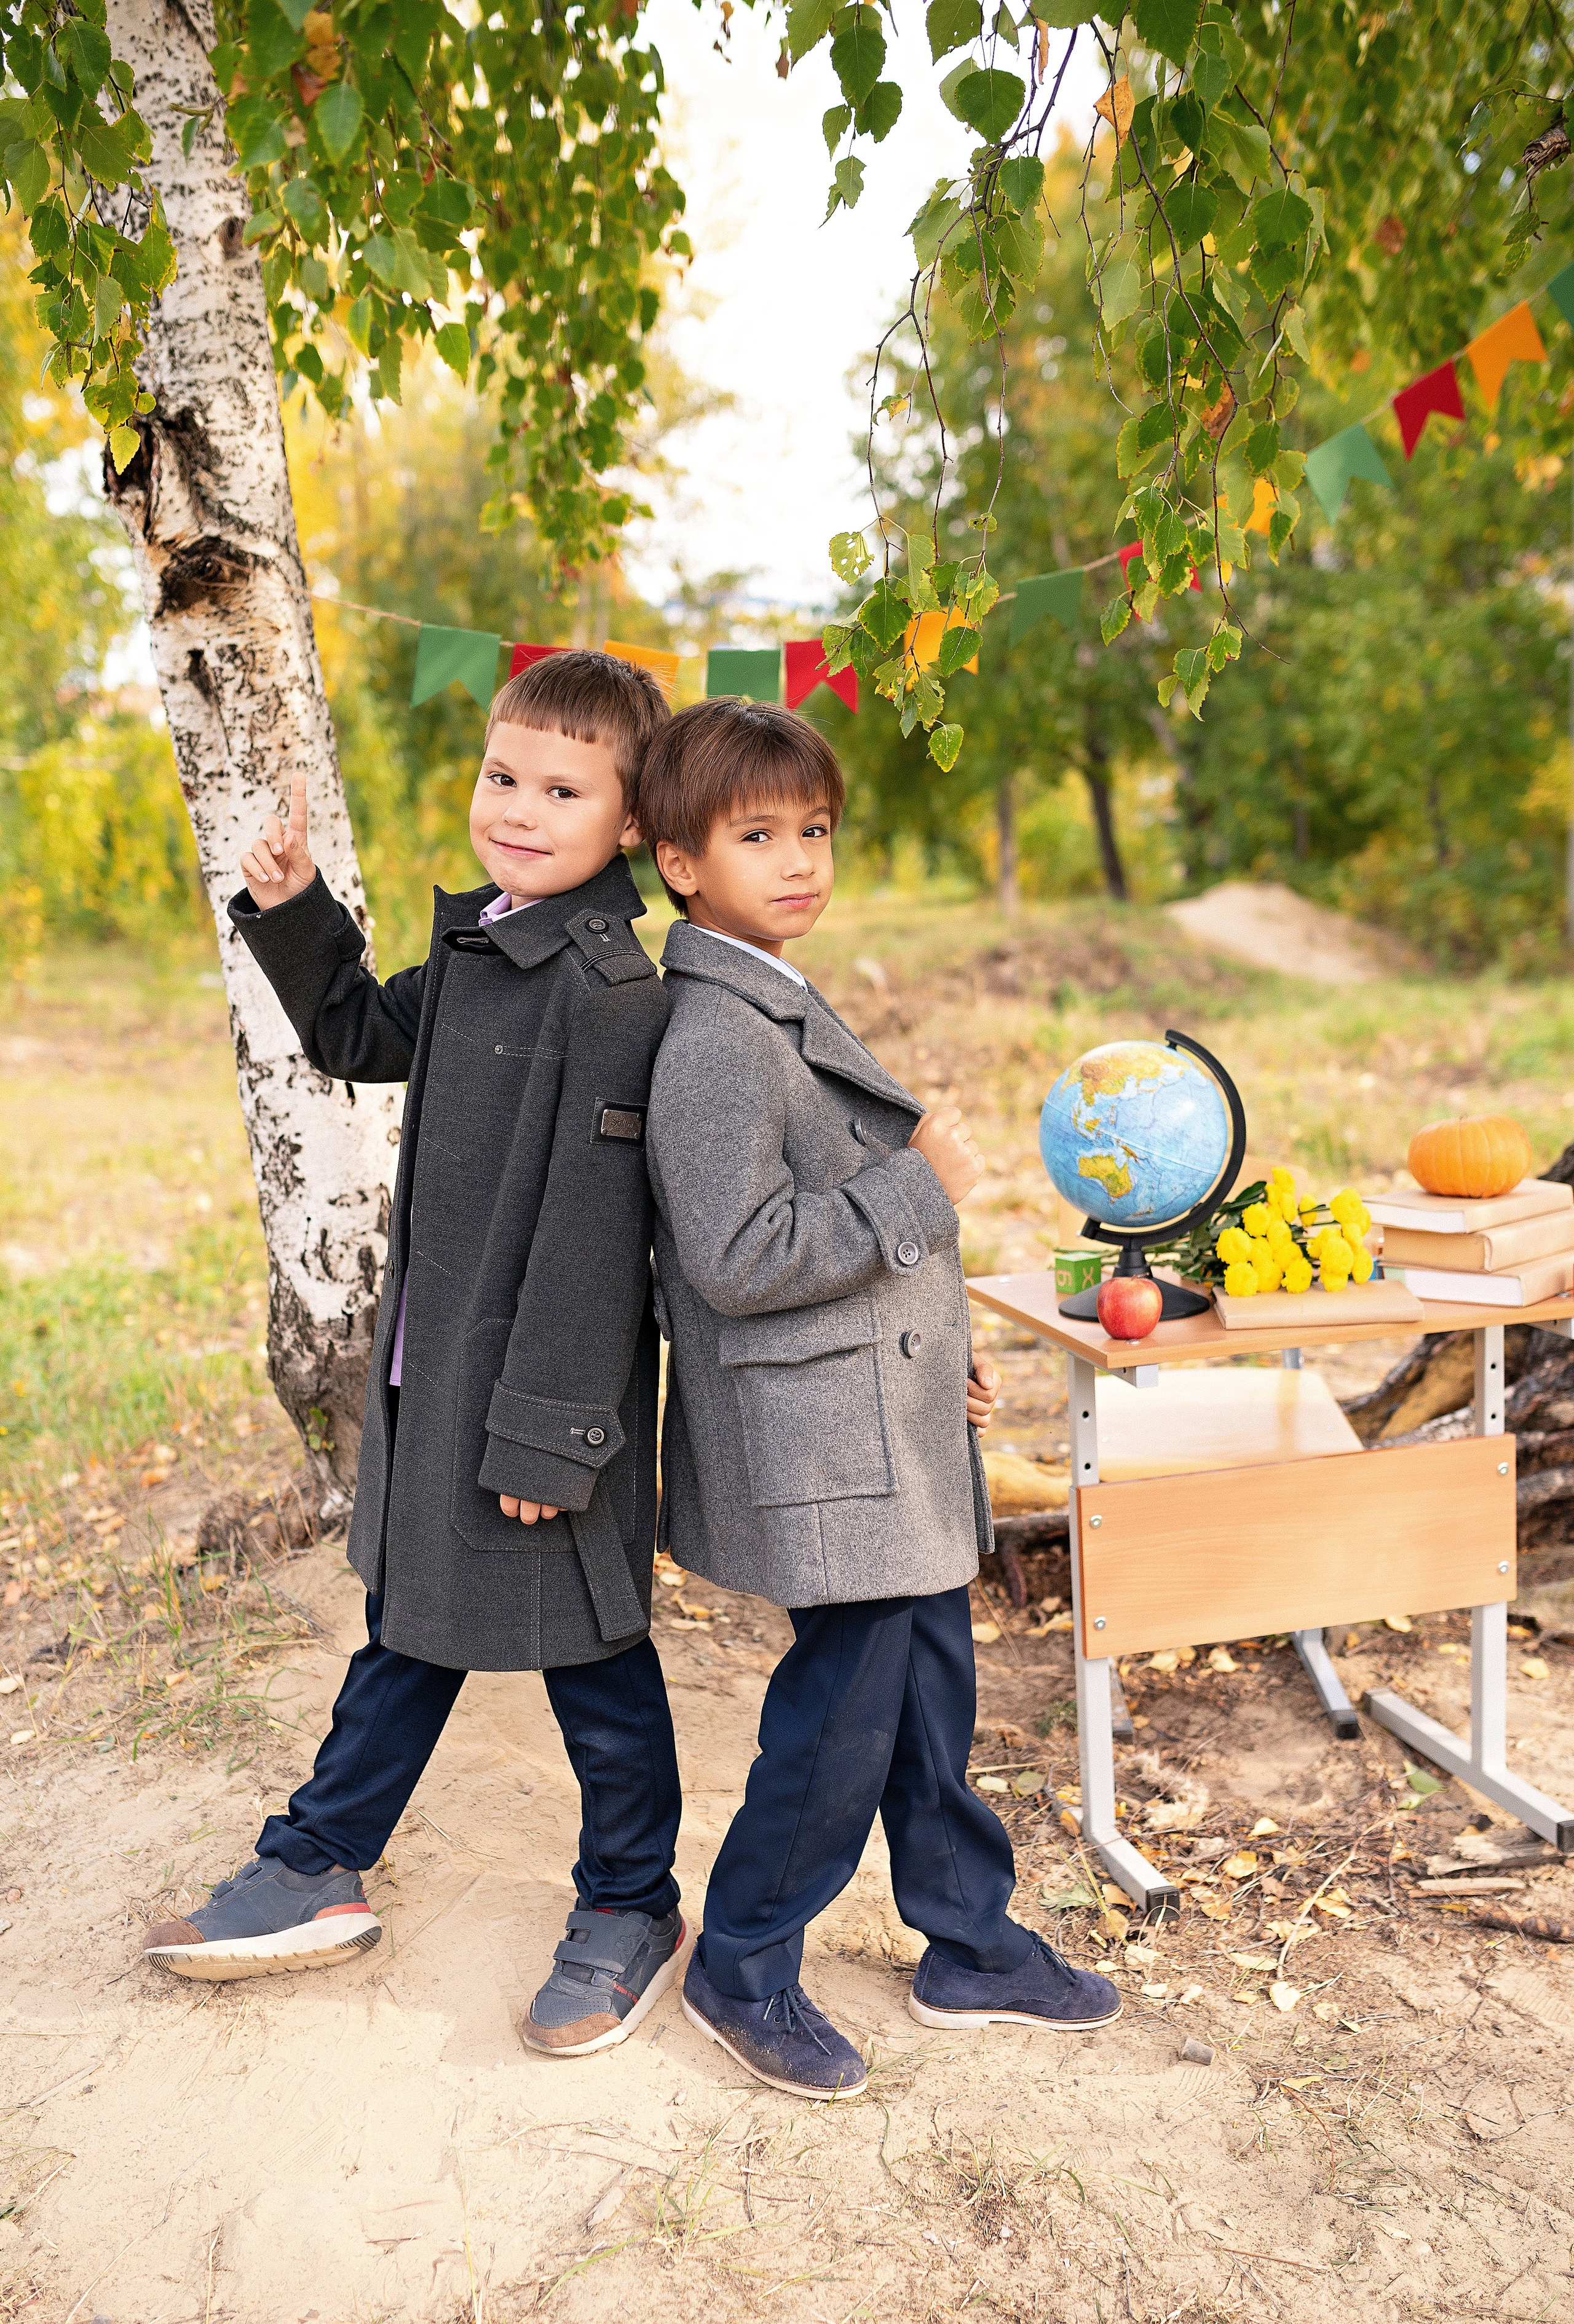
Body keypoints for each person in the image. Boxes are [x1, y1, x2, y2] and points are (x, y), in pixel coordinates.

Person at [141, 651, 689, 2058]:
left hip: (538, 1402)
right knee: (410, 1621)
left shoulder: (608, 988)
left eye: (562, 788)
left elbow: (592, 1236)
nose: (517, 805)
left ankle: (630, 1902)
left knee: (594, 1651)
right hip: (437, 1365)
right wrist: (292, 910)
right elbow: (359, 1033)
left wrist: (550, 1434)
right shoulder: (485, 943)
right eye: (503, 775)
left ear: (628, 823)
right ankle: (321, 1856)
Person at [637, 698, 1120, 2100]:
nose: (798, 860)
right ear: (678, 860)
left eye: (815, 831)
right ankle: (740, 1962)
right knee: (843, 1709)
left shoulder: (771, 984)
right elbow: (734, 1256)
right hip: (816, 1442)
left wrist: (938, 1352)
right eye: (756, 835)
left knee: (926, 1688)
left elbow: (824, 1228)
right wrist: (922, 1188)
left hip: (875, 1421)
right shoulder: (717, 1033)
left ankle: (965, 1939)